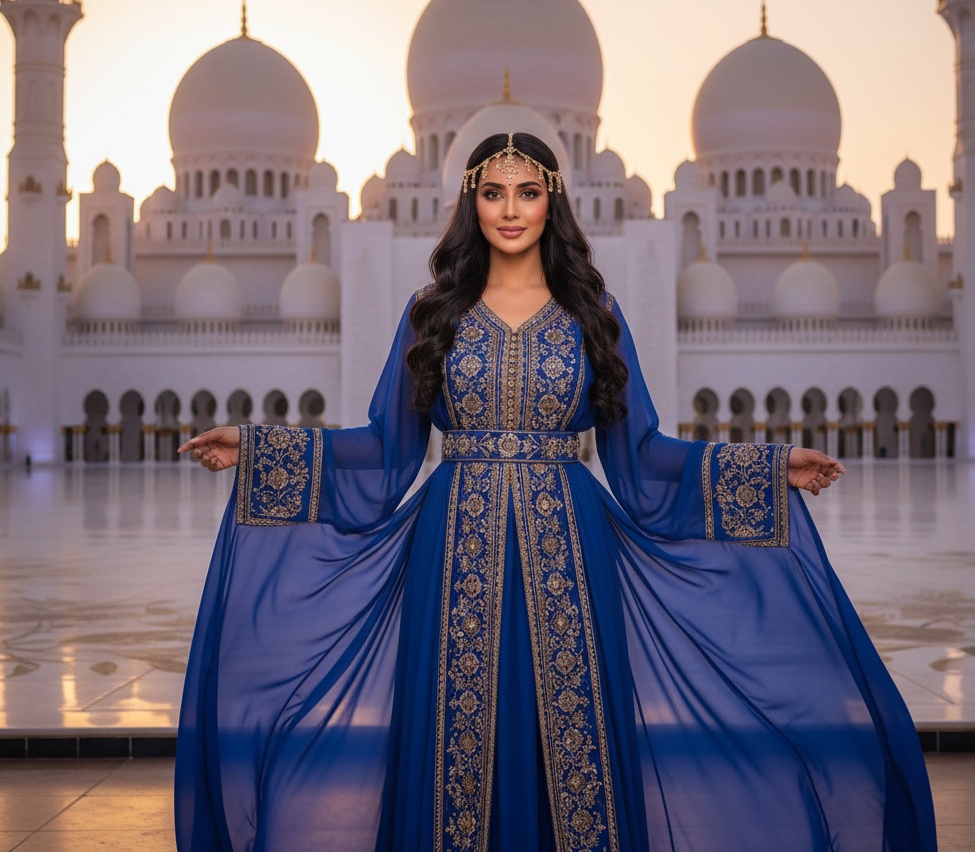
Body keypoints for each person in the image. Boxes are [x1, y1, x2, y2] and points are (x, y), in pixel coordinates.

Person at [175, 132, 936, 852]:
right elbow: (381, 453)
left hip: (572, 545)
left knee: (575, 736)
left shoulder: (592, 316)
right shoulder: (431, 314)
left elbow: (641, 460)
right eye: (495, 192)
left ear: (553, 201)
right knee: (454, 731)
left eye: (528, 192)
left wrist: (768, 469)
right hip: (454, 546)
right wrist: (258, 446)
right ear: (471, 202)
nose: (511, 209)